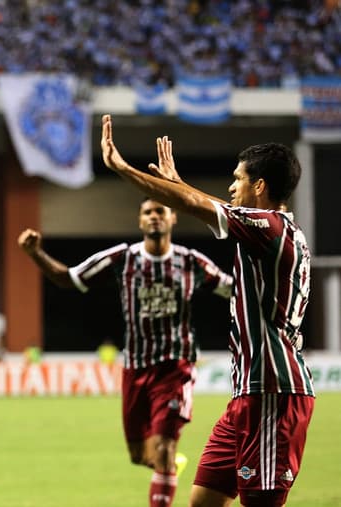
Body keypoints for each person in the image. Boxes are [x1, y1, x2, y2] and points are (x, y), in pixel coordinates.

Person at [101, 114, 314, 507]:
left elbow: (196, 205)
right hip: (246, 395)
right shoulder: (272, 228)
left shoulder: (269, 228)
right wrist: (178, 185)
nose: (231, 187)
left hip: (272, 393)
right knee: (202, 501)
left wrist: (122, 168)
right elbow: (205, 204)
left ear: (260, 185)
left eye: (238, 179)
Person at [18, 196, 233, 507]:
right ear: (140, 221)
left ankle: (166, 465)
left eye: (161, 211)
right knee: (140, 455)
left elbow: (233, 289)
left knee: (162, 450)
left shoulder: (191, 262)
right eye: (147, 212)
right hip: (136, 369)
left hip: (176, 368)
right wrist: (35, 253)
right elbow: (69, 280)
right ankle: (169, 466)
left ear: (173, 219)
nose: (154, 217)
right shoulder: (122, 259)